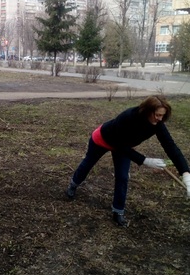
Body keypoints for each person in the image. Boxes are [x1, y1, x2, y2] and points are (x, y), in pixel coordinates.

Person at [66, 95, 190, 227]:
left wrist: (186, 173)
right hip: (103, 139)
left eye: (162, 116)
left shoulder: (158, 124)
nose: (159, 119)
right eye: (157, 115)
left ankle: (118, 211)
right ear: (147, 111)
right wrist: (144, 160)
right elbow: (118, 144)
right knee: (88, 164)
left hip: (124, 147)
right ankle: (73, 185)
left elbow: (170, 146)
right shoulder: (128, 117)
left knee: (123, 177)